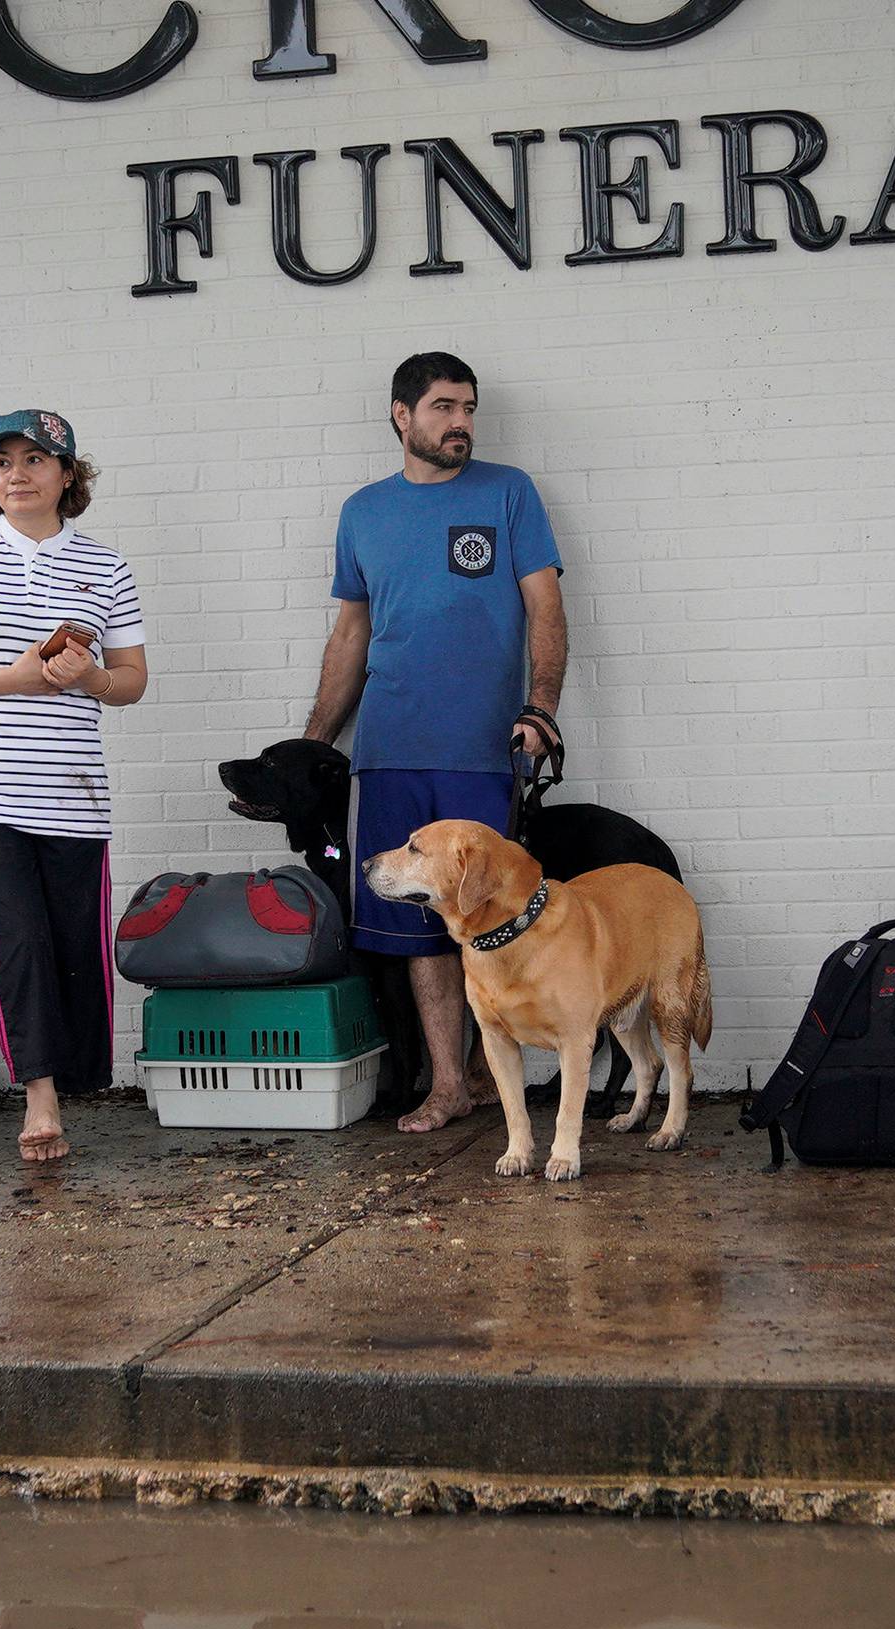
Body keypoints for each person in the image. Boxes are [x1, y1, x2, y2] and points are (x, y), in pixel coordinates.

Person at [304, 352, 568, 1133]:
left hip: (484, 750)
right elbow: (351, 632)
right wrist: (320, 741)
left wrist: (542, 708)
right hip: (389, 748)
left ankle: (494, 1076)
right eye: (445, 407)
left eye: (469, 408)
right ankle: (451, 1083)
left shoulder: (509, 492)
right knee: (416, 925)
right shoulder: (363, 511)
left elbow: (544, 609)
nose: (461, 423)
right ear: (402, 415)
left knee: (489, 914)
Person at [0, 411, 148, 1162]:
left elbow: (132, 681)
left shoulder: (106, 568)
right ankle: (40, 1098)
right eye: (3, 461)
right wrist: (9, 679)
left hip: (72, 791)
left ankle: (73, 1078)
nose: (17, 473)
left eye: (36, 459)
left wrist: (94, 677)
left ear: (68, 475)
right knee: (19, 934)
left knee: (73, 941)